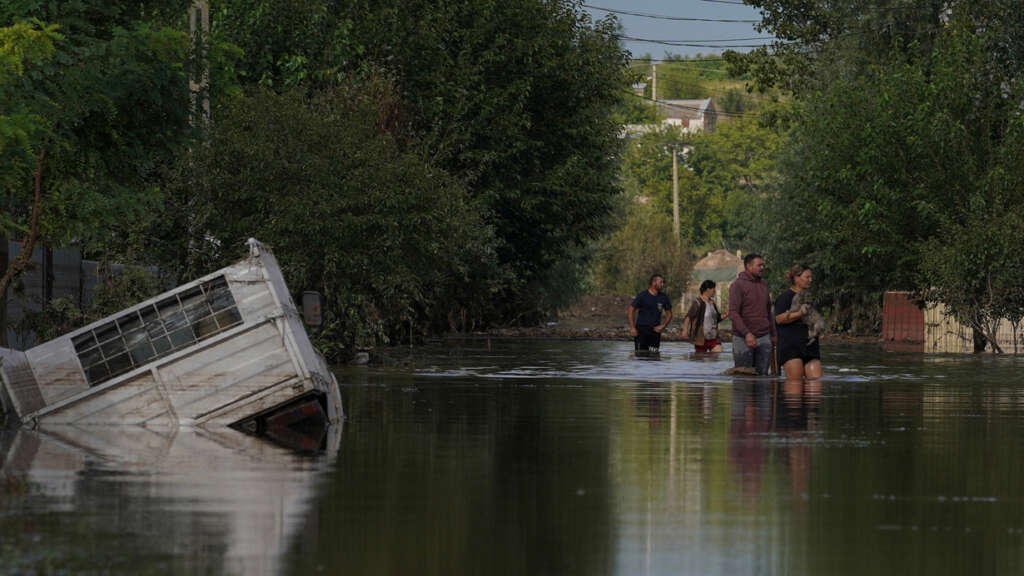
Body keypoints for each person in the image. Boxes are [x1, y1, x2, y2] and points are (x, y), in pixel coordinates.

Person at [728, 253, 776, 375]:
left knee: (763, 377)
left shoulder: (763, 284)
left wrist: (774, 334)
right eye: (759, 265)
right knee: (744, 377)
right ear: (749, 266)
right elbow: (733, 313)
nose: (762, 268)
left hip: (764, 336)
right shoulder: (737, 285)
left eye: (763, 265)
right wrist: (747, 333)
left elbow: (768, 311)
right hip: (742, 338)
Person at [773, 264, 823, 380]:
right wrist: (799, 314)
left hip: (810, 347)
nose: (811, 280)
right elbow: (779, 319)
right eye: (807, 277)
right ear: (796, 278)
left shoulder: (809, 297)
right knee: (795, 385)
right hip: (791, 348)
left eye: (811, 277)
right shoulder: (784, 297)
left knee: (816, 386)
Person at [627, 274, 673, 352]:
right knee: (640, 355)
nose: (663, 284)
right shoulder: (642, 295)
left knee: (654, 355)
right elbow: (631, 310)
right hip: (641, 330)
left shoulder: (663, 297)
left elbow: (669, 314)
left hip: (655, 331)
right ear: (654, 283)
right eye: (661, 282)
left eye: (663, 282)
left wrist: (663, 326)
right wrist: (632, 327)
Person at [682, 280, 729, 352]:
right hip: (701, 339)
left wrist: (727, 314)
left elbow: (717, 318)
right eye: (713, 290)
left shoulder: (712, 303)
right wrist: (685, 330)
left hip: (713, 338)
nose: (715, 292)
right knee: (701, 360)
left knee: (718, 354)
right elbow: (688, 317)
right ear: (708, 290)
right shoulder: (698, 303)